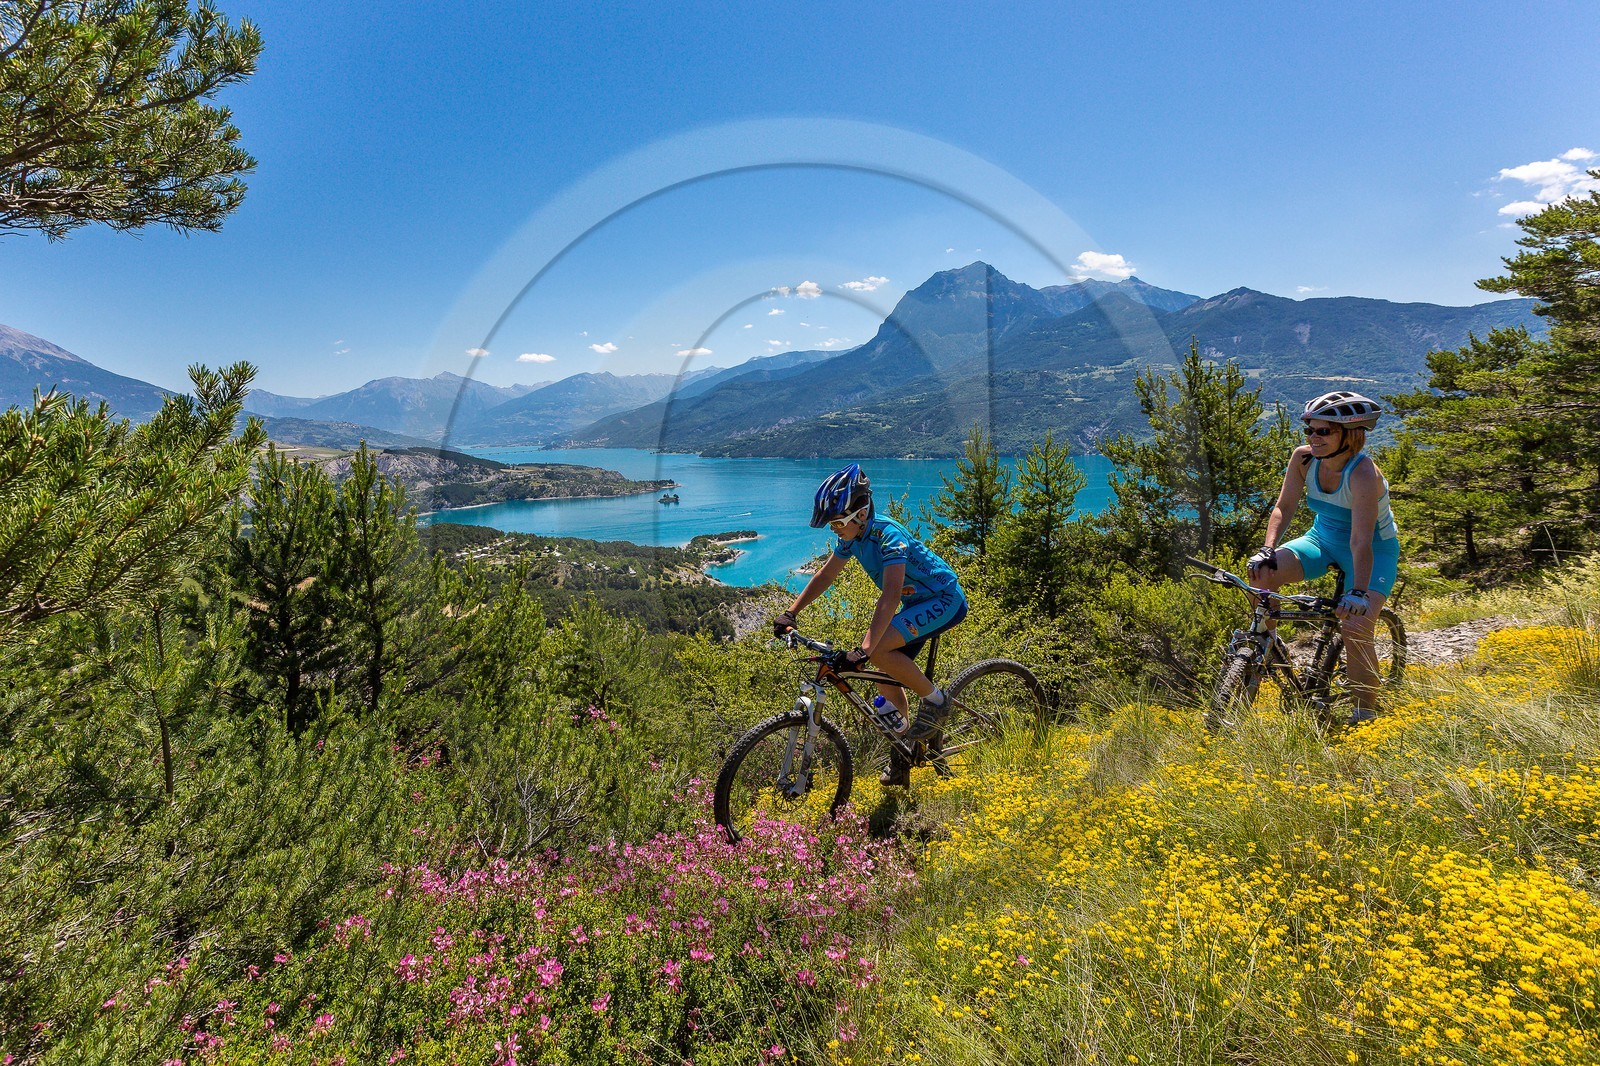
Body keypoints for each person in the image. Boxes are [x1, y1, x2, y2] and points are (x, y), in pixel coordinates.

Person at [772, 464, 969, 786]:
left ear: (861, 514)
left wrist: (864, 649)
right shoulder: (853, 538)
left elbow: (890, 595)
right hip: (916, 605)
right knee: (883, 680)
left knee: (876, 652)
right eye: (831, 524)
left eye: (837, 523)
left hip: (944, 600)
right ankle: (904, 753)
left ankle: (936, 701)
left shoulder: (888, 535)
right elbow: (826, 575)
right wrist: (791, 612)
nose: (833, 529)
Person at [1247, 391, 1400, 725]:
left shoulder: (1363, 473)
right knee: (1262, 574)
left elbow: (1361, 540)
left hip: (1372, 549)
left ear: (1351, 435)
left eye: (1323, 431)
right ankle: (1267, 648)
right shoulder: (1303, 459)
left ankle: (1365, 715)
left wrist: (1358, 592)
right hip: (1322, 539)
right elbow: (1284, 507)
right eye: (1309, 430)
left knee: (1356, 628)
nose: (1313, 437)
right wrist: (1268, 548)